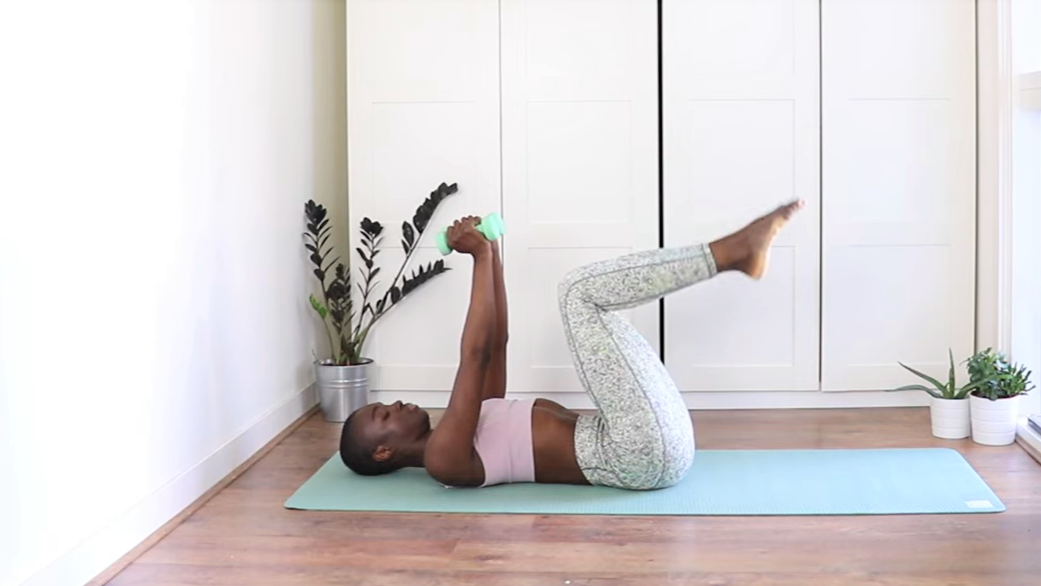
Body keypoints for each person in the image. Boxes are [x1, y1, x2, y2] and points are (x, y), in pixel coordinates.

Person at [339, 201, 805, 489]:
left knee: (587, 301)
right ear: (384, 453)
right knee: (579, 293)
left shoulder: (471, 422)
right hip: (638, 454)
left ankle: (735, 252)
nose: (395, 403)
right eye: (383, 415)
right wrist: (478, 254)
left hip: (655, 443)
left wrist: (491, 252)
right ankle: (732, 252)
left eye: (384, 404)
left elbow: (496, 344)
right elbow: (474, 354)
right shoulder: (444, 459)